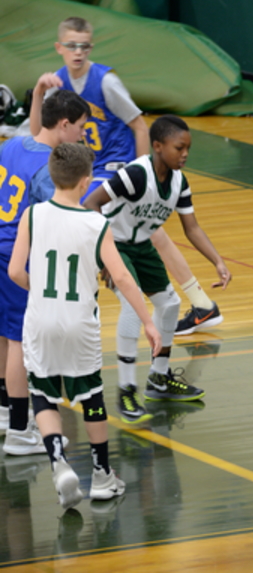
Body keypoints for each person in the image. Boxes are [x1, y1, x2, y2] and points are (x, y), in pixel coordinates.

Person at [29, 18, 226, 347]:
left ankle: (87, 289)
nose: (78, 52)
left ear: (91, 47)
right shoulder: (57, 85)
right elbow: (38, 132)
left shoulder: (105, 82)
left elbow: (139, 125)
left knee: (101, 219)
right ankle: (201, 302)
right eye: (72, 45)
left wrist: (143, 171)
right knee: (149, 231)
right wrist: (38, 93)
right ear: (59, 47)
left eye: (84, 46)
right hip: (87, 166)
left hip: (115, 165)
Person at [8, 143, 162, 510]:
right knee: (91, 396)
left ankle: (59, 461)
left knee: (44, 394)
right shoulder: (97, 224)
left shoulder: (32, 215)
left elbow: (15, 271)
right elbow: (121, 277)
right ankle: (102, 474)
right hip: (80, 321)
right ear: (85, 181)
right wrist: (148, 321)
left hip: (41, 320)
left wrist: (39, 292)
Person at [84, 114, 231, 421]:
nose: (185, 154)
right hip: (114, 243)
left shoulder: (179, 182)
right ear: (158, 146)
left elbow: (192, 228)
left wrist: (217, 261)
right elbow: (91, 204)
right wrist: (104, 251)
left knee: (170, 304)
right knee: (131, 304)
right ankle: (126, 390)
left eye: (188, 148)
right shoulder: (136, 174)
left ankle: (159, 379)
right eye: (179, 148)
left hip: (141, 246)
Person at [0, 90, 89, 455]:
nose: (82, 135)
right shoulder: (48, 169)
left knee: (3, 335)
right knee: (20, 342)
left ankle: (4, 410)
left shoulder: (11, 145)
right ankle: (21, 432)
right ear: (64, 124)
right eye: (81, 127)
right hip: (17, 258)